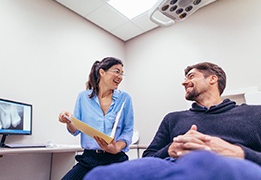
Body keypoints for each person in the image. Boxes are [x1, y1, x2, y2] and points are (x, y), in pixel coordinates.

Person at [84, 62, 261, 180]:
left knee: (205, 163)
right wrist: (170, 149)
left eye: (191, 76)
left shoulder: (254, 114)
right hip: (170, 164)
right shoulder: (174, 118)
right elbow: (149, 157)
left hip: (232, 164)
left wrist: (237, 151)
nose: (184, 83)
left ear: (213, 79)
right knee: (100, 175)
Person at [58, 57, 134, 180]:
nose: (120, 76)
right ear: (102, 72)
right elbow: (75, 130)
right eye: (116, 71)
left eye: (121, 73)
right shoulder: (83, 97)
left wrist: (116, 148)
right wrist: (68, 121)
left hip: (116, 159)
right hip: (89, 159)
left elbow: (128, 130)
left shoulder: (125, 98)